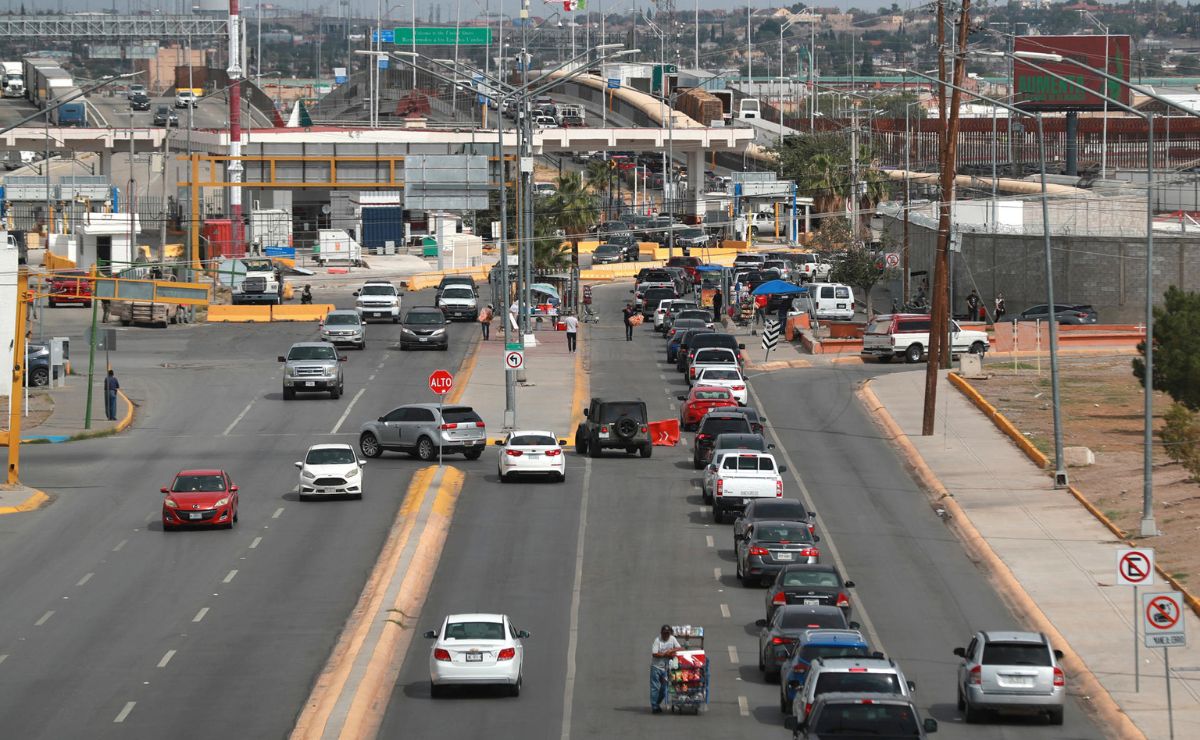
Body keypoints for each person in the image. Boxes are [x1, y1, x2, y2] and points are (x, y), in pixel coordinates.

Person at [650, 624, 682, 714]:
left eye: (667, 634)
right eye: (664, 634)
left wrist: (671, 651)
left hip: (665, 668)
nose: (666, 635)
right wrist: (665, 654)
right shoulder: (657, 640)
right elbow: (654, 654)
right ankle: (654, 706)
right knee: (655, 687)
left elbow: (679, 648)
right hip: (656, 667)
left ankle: (657, 703)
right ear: (661, 633)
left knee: (664, 689)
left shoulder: (672, 639)